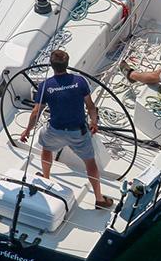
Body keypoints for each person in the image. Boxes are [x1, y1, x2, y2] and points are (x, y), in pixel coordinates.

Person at [20, 50, 113, 209]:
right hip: (78, 132)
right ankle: (99, 199)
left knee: (47, 148)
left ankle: (46, 178)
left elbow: (36, 112)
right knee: (90, 163)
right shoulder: (80, 81)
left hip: (55, 130)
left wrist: (27, 130)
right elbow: (90, 106)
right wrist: (94, 122)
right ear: (67, 64)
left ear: (51, 65)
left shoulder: (45, 86)